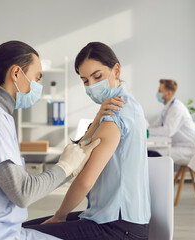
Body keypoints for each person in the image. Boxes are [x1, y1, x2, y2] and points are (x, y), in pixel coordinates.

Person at [0, 40, 101, 240]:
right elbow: (23, 193)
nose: (38, 86)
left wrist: (71, 169)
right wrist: (65, 166)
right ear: (16, 74)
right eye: (37, 78)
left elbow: (20, 186)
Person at [23, 42, 151, 240]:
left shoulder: (117, 112)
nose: (91, 85)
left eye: (97, 76)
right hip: (108, 220)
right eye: (85, 80)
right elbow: (79, 153)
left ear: (116, 70)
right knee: (23, 229)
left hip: (119, 228)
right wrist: (98, 117)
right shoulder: (116, 108)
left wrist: (60, 216)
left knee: (22, 235)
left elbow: (84, 180)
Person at [148, 79, 195, 163]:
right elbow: (157, 124)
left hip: (187, 150)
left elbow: (168, 131)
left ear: (169, 93)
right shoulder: (168, 108)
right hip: (176, 145)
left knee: (152, 154)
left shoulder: (176, 108)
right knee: (149, 149)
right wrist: (145, 129)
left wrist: (147, 131)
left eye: (160, 91)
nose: (158, 93)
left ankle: (157, 176)